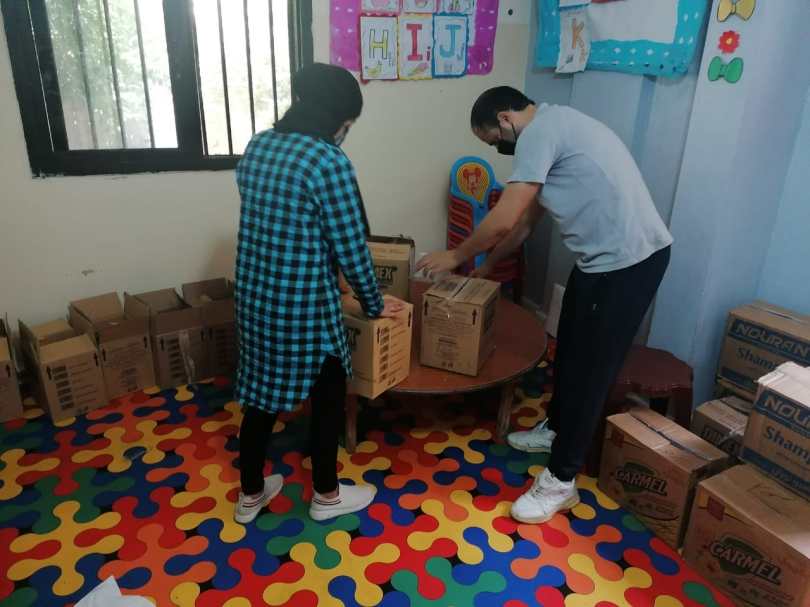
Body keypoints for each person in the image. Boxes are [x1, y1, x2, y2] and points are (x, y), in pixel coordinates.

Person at [418, 86, 672, 524]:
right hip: (597, 262)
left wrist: (456, 255)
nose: (497, 149)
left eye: (493, 141)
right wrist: (485, 267)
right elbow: (522, 227)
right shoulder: (554, 128)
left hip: (630, 263)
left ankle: (561, 480)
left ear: (504, 119)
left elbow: (503, 219)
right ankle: (555, 428)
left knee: (592, 372)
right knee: (568, 347)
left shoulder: (539, 132)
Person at [233, 63, 403, 524]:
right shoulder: (328, 161)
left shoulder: (258, 145)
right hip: (303, 306)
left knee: (260, 396)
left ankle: (250, 494)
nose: (346, 132)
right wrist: (373, 303)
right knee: (328, 396)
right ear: (338, 117)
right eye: (349, 123)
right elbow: (351, 247)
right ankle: (327, 495)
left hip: (255, 298)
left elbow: (284, 226)